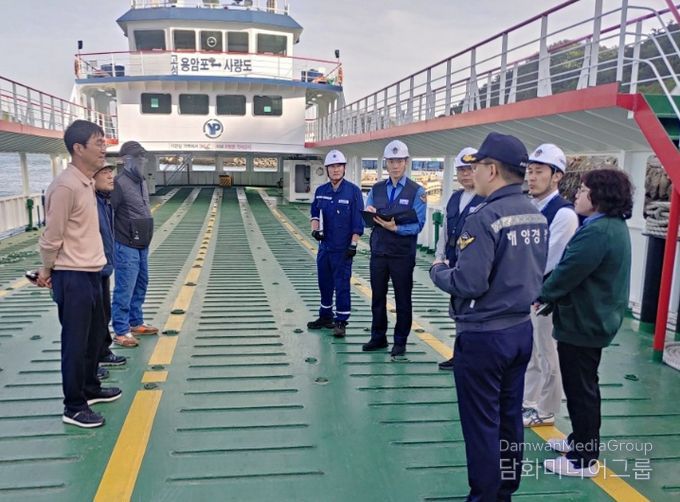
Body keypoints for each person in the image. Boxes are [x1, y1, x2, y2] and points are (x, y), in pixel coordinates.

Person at [430, 132, 548, 501]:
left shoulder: (484, 217)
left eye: (477, 166)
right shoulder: (535, 214)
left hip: (484, 337)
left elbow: (469, 282)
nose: (473, 173)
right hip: (520, 331)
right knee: (509, 419)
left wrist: (438, 270)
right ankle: (505, 490)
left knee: (482, 425)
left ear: (492, 170)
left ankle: (484, 496)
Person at [541, 169, 632, 477]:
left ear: (599, 196)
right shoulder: (610, 226)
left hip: (584, 323)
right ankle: (579, 440)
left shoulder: (598, 232)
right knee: (584, 385)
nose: (577, 195)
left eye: (583, 190)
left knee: (580, 390)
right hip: (592, 319)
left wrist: (540, 294)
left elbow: (569, 270)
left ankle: (583, 458)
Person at [37, 120, 123, 428]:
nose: (103, 149)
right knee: (75, 342)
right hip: (71, 274)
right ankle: (73, 405)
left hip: (91, 272)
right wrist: (46, 270)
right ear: (78, 148)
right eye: (98, 143)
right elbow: (52, 235)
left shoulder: (86, 182)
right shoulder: (65, 186)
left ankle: (89, 388)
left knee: (92, 337)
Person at [522, 144, 579, 427]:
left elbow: (549, 260)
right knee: (531, 350)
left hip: (546, 296)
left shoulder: (564, 214)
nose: (531, 177)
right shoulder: (529, 207)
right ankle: (528, 401)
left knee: (547, 352)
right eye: (530, 171)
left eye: (539, 172)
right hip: (526, 291)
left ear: (556, 176)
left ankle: (546, 410)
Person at [363, 139, 427, 357]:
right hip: (379, 251)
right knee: (377, 296)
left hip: (402, 254)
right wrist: (369, 214)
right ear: (386, 163)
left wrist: (396, 228)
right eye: (391, 161)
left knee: (403, 298)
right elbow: (366, 218)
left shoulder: (417, 191)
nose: (395, 165)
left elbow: (419, 224)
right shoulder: (376, 189)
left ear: (406, 162)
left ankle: (400, 341)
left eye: (399, 161)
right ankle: (378, 336)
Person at [434, 147, 485, 371]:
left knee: (475, 312)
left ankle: (474, 356)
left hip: (476, 266)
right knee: (458, 311)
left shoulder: (486, 199)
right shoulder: (455, 198)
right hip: (455, 263)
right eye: (461, 170)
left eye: (470, 169)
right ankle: (460, 355)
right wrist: (439, 257)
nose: (466, 174)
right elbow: (445, 231)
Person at [307, 150, 364, 337]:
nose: (335, 169)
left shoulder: (353, 192)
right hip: (324, 248)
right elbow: (314, 213)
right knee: (324, 283)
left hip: (343, 249)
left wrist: (353, 245)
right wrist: (315, 230)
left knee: (341, 285)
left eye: (339, 166)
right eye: (332, 166)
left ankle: (341, 321)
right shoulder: (321, 191)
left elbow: (357, 222)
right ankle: (325, 316)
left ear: (344, 168)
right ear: (327, 169)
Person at [111, 141, 158, 345]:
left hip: (142, 242)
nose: (141, 161)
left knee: (141, 283)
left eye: (142, 157)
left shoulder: (142, 182)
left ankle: (135, 322)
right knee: (125, 286)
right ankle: (121, 330)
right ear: (125, 160)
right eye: (137, 157)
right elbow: (110, 214)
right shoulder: (118, 183)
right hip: (125, 243)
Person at [94, 164, 137, 376]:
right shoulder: (88, 201)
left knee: (102, 313)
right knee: (87, 320)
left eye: (110, 172)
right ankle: (89, 368)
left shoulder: (104, 200)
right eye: (105, 172)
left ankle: (103, 352)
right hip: (87, 268)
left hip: (103, 264)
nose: (111, 176)